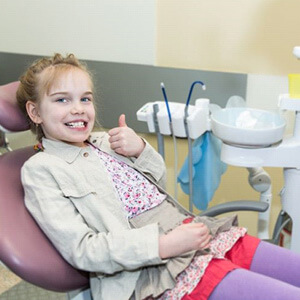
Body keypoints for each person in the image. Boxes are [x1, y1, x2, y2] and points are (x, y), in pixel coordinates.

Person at [17, 53, 300, 300]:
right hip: (153, 271)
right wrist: (164, 245)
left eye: (85, 98)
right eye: (62, 99)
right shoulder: (41, 170)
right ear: (35, 111)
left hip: (191, 231)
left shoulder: (105, 141)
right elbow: (84, 250)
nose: (78, 108)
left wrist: (140, 149)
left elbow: (156, 187)